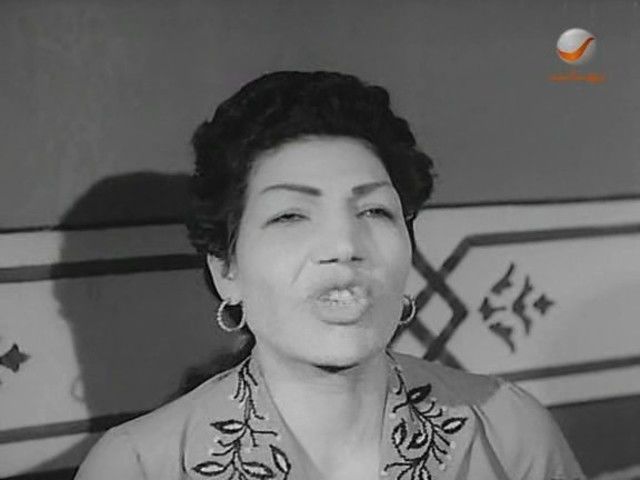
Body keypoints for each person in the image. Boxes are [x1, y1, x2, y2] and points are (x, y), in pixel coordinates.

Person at [75, 71, 585, 480]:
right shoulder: (139, 466)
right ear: (227, 268)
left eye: (374, 211)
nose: (345, 246)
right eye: (290, 216)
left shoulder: (509, 431)